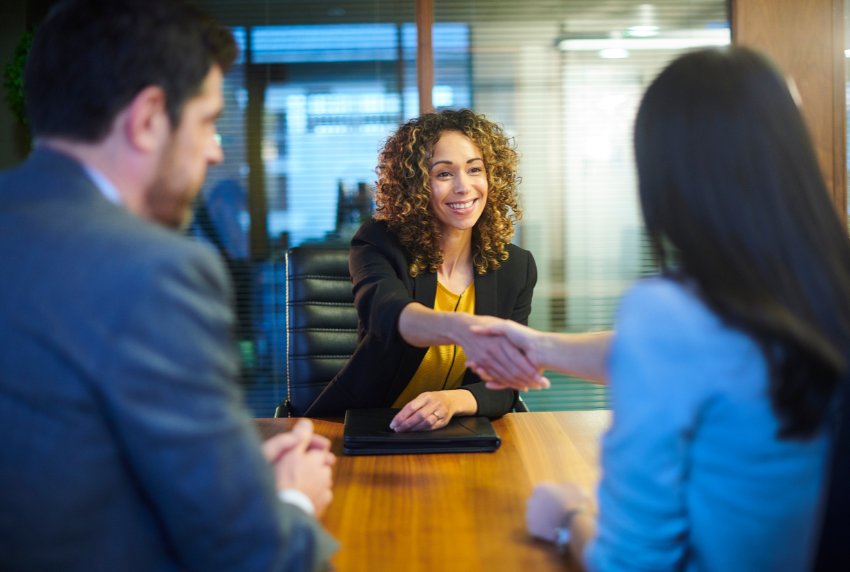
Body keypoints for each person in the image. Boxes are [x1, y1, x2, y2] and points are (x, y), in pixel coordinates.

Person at [470, 47, 850, 571]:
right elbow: (698, 360)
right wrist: (540, 347)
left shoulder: (673, 312)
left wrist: (564, 517)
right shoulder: (818, 287)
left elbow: (629, 564)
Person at [0, 1, 337, 570]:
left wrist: (233, 471)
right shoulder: (151, 270)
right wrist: (292, 498)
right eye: (207, 121)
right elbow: (252, 555)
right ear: (150, 117)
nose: (216, 149)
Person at [305, 109, 547, 430]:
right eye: (444, 174)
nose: (463, 187)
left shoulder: (515, 267)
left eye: (475, 169)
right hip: (364, 422)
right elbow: (388, 315)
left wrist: (451, 401)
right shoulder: (378, 242)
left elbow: (505, 387)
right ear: (416, 185)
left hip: (453, 430)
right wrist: (460, 328)